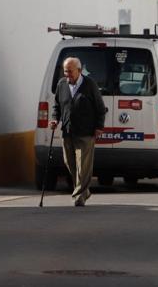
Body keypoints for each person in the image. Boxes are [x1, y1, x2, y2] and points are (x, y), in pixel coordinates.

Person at [50, 56, 106, 206]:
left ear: (79, 71)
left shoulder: (89, 84)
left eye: (70, 71)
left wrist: (99, 127)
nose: (67, 75)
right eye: (65, 71)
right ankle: (84, 190)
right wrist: (55, 119)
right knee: (70, 163)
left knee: (83, 166)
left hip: (85, 132)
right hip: (67, 131)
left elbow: (100, 108)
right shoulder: (62, 84)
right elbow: (57, 106)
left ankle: (79, 196)